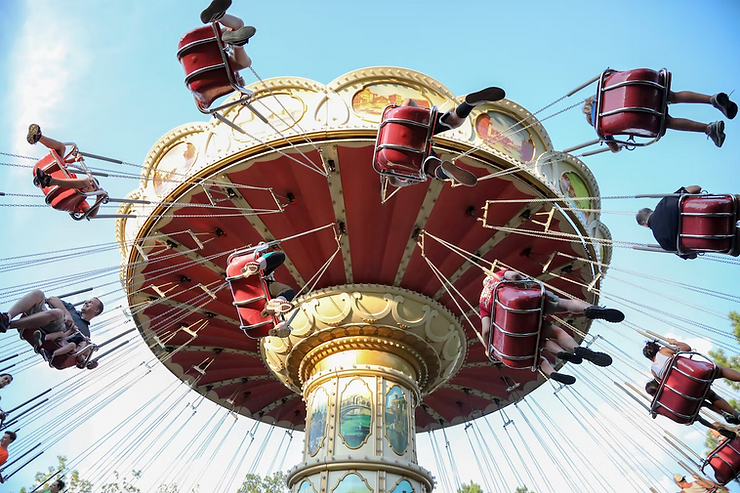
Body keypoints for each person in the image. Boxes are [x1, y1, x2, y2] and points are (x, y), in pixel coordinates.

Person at [479, 268, 623, 385]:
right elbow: (515, 276)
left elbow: (486, 330)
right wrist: (525, 287)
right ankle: (591, 311)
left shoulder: (482, 302)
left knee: (539, 353)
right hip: (527, 301)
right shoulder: (497, 276)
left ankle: (557, 368)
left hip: (516, 328)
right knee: (564, 307)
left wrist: (487, 348)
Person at [385, 86, 506, 188]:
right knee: (453, 121)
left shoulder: (386, 156)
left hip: (405, 151)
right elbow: (409, 101)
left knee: (433, 167)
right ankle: (469, 104)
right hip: (417, 129)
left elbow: (394, 182)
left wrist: (406, 181)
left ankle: (445, 172)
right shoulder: (393, 121)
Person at [583, 87, 736, 149]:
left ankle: (708, 128)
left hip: (641, 115)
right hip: (640, 89)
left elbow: (614, 148)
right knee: (672, 96)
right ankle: (712, 99)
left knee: (667, 121)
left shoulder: (601, 124)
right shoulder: (605, 89)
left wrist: (616, 145)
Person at [0, 290, 104, 364]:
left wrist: (88, 362)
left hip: (58, 334)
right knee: (38, 294)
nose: (86, 302)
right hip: (46, 319)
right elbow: (52, 299)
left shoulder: (86, 332)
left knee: (57, 313)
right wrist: (67, 314)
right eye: (88, 300)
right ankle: (7, 318)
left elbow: (79, 352)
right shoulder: (71, 308)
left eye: (91, 302)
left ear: (96, 310)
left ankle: (9, 325)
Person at [636, 186, 740, 259]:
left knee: (732, 248)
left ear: (645, 225)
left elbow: (691, 256)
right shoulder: (665, 202)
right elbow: (696, 188)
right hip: (721, 209)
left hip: (723, 241)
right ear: (651, 211)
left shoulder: (662, 242)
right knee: (735, 202)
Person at [26, 124, 104, 218]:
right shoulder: (73, 179)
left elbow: (91, 215)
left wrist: (98, 200)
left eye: (92, 186)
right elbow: (63, 164)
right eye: (91, 183)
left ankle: (50, 181)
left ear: (92, 193)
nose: (90, 185)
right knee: (62, 148)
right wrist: (74, 160)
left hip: (61, 197)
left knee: (84, 182)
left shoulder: (81, 199)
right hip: (49, 172)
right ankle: (38, 137)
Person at [242, 248, 296, 338]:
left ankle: (277, 310)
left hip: (257, 286)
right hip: (261, 283)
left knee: (288, 291)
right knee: (280, 256)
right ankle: (279, 326)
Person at [644, 338, 740, 385]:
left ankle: (727, 414)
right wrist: (674, 342)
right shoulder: (664, 351)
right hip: (692, 373)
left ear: (649, 358)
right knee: (721, 370)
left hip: (684, 386)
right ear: (657, 347)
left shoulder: (653, 370)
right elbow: (686, 348)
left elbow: (664, 384)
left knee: (708, 395)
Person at [645, 379, 740, 425]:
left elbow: (653, 415)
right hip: (691, 399)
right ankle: (723, 413)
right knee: (705, 403)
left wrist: (654, 410)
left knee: (697, 418)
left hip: (685, 411)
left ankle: (715, 428)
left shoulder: (658, 401)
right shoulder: (668, 388)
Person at [199, 0, 255, 71]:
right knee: (246, 63)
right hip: (220, 67)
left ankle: (218, 16)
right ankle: (237, 43)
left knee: (239, 24)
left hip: (208, 65)